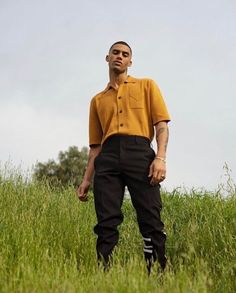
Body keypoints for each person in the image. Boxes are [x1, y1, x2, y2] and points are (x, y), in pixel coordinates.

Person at [77, 41, 170, 274]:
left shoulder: (147, 86)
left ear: (130, 61)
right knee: (106, 220)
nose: (120, 56)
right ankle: (104, 274)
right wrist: (86, 179)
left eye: (125, 54)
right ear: (107, 58)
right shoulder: (97, 100)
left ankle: (157, 273)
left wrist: (160, 158)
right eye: (115, 53)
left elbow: (161, 126)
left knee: (150, 217)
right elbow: (95, 146)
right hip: (107, 158)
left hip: (140, 153)